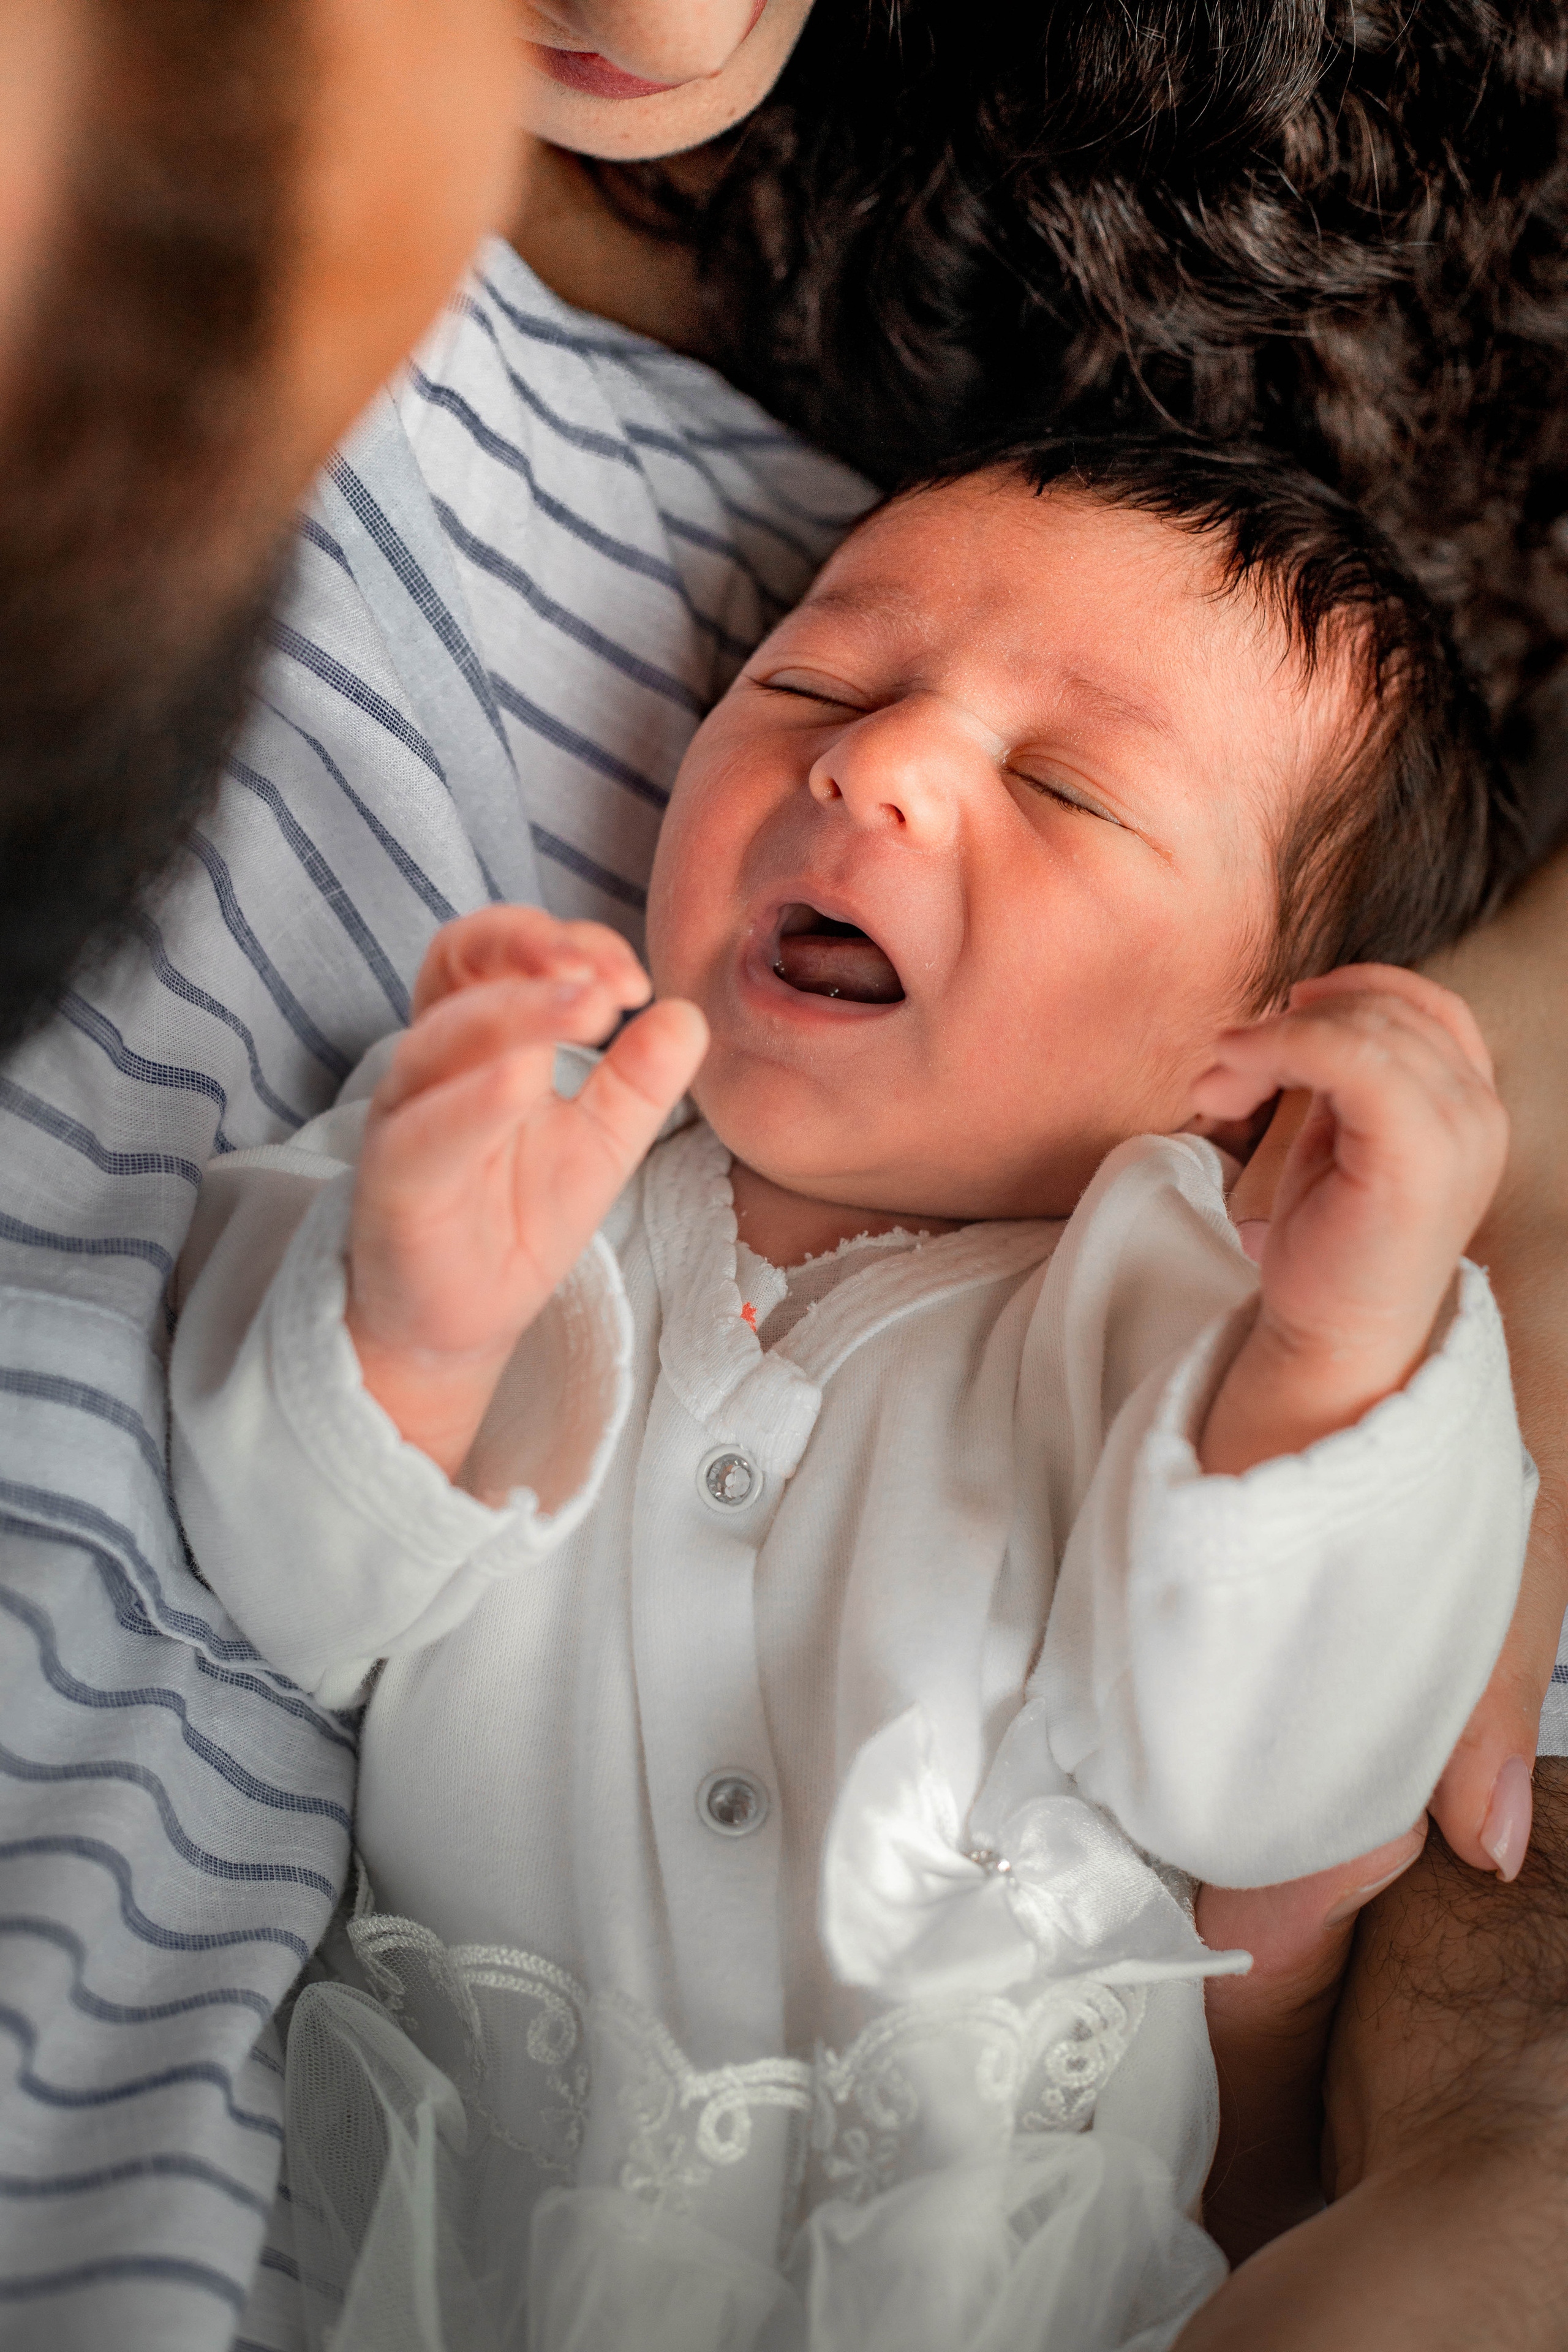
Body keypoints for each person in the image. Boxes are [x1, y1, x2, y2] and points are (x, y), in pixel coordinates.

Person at [2, 3, 1567, 2344]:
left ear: (1244, 1075)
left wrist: (1360, 1350)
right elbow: (303, 1594)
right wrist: (403, 1329)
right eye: (816, 693)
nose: (888, 773)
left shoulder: (1174, 1309)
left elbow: (1271, 1774)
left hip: (986, 2245)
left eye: (1070, 796)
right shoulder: (554, 1149)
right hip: (430, 2222)